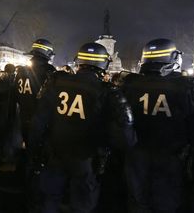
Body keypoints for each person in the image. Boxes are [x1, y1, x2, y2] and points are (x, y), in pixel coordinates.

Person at [31, 42, 136, 213]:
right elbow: (125, 138)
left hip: (55, 152)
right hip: (86, 159)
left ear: (79, 61)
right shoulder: (108, 91)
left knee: (49, 199)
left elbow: (39, 120)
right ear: (103, 63)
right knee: (82, 204)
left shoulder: (57, 81)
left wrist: (35, 149)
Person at [120, 38, 194, 213]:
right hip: (171, 152)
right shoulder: (188, 86)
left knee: (137, 197)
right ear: (173, 58)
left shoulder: (130, 83)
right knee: (167, 199)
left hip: (137, 150)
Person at [14, 38, 56, 211]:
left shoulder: (22, 71)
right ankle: (35, 197)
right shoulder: (49, 72)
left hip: (23, 120)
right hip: (41, 124)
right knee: (40, 160)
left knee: (28, 156)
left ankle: (24, 188)